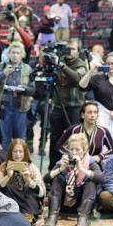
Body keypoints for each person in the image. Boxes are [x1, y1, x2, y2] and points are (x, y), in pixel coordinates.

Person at [44, 133, 105, 226]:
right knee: (57, 178)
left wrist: (82, 169)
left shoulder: (90, 161)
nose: (74, 152)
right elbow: (46, 179)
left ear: (84, 150)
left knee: (90, 181)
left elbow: (101, 178)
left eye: (77, 149)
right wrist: (60, 169)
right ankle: (52, 216)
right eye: (71, 149)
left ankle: (82, 218)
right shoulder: (64, 160)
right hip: (64, 201)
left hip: (82, 202)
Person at [48, 38, 89, 169]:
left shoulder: (80, 64)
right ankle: (53, 167)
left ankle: (74, 166)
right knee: (55, 138)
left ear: (78, 51)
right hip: (58, 106)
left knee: (73, 138)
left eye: (73, 49)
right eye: (68, 48)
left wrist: (62, 66)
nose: (69, 51)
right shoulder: (60, 61)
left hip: (73, 107)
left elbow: (77, 77)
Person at [79, 52, 113, 147]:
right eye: (108, 64)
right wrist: (91, 71)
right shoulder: (98, 78)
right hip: (102, 117)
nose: (110, 66)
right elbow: (82, 86)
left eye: (112, 63)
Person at [0, 42, 35, 148]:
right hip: (4, 107)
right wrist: (4, 73)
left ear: (22, 54)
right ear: (9, 54)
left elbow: (32, 89)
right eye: (13, 52)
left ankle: (19, 162)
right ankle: (6, 162)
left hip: (21, 108)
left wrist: (23, 89)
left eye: (18, 53)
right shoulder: (2, 66)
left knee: (20, 139)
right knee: (6, 139)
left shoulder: (27, 68)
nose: (15, 55)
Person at [0, 138, 46, 225]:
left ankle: (26, 216)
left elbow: (41, 193)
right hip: (11, 202)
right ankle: (11, 216)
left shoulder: (31, 167)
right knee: (7, 187)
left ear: (25, 153)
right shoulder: (4, 166)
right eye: (15, 151)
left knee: (29, 188)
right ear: (10, 153)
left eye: (21, 151)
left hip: (26, 202)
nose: (18, 155)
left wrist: (29, 180)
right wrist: (8, 176)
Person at [53, 100, 113, 166]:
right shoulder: (74, 129)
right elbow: (59, 146)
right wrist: (72, 153)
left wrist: (100, 156)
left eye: (95, 112)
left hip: (95, 166)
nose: (92, 115)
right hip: (75, 165)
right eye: (89, 112)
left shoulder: (103, 131)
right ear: (82, 115)